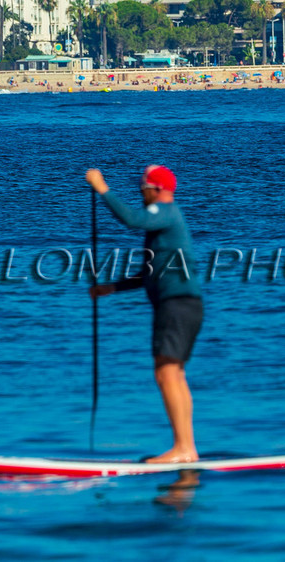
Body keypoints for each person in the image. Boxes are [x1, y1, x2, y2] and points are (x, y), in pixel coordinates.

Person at [86, 165, 202, 464]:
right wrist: (111, 288)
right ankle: (187, 448)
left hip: (176, 305)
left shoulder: (166, 210)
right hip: (182, 304)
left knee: (166, 372)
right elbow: (149, 275)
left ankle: (183, 449)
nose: (140, 192)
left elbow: (131, 219)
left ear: (158, 189)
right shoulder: (162, 225)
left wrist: (102, 187)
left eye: (143, 188)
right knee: (174, 373)